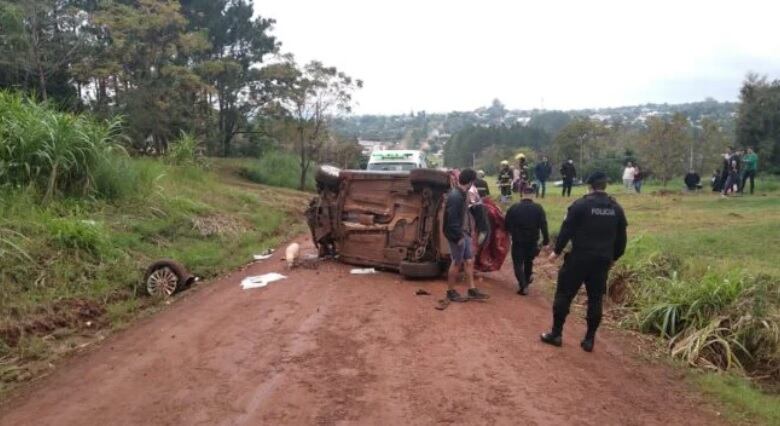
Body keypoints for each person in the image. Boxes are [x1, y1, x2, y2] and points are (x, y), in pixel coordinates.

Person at [541, 172, 628, 352]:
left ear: (589, 186)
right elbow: (622, 240)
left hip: (579, 258)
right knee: (596, 299)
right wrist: (613, 258)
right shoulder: (616, 209)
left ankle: (556, 334)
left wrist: (556, 252)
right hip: (602, 261)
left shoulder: (580, 206)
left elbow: (566, 231)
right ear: (605, 186)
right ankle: (589, 340)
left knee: (564, 294)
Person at [443, 168, 490, 302]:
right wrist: (458, 238)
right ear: (470, 182)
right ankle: (450, 291)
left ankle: (472, 290)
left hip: (465, 233)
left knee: (469, 261)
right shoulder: (455, 196)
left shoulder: (463, 194)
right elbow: (451, 220)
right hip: (457, 234)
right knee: (457, 262)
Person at [504, 188, 549, 295]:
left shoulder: (514, 207)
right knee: (529, 261)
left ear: (522, 194)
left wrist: (512, 232)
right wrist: (546, 240)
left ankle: (523, 285)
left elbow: (506, 224)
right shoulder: (538, 208)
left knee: (518, 263)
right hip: (533, 240)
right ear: (533, 195)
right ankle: (526, 282)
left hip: (518, 240)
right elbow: (543, 225)